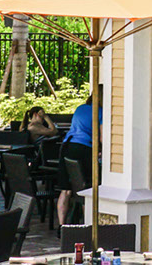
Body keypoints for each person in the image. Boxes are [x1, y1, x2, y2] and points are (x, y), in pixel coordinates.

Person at [56, 96, 100, 225]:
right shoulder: (99, 111)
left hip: (67, 146)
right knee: (87, 188)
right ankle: (87, 225)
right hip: (83, 148)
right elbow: (102, 137)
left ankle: (62, 226)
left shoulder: (80, 108)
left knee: (65, 190)